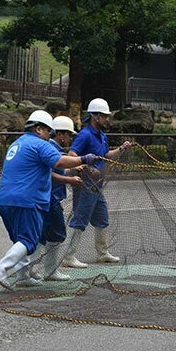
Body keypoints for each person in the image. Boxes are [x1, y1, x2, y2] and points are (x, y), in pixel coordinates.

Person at [0, 110, 98, 289]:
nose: (50, 136)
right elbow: (60, 163)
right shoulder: (40, 144)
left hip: (5, 200)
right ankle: (1, 269)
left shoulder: (18, 143)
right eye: (49, 132)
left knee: (22, 241)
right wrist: (84, 158)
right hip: (27, 200)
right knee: (28, 241)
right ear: (39, 129)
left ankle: (23, 277)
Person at [62, 98, 131, 268]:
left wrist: (121, 149)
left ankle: (102, 253)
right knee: (80, 219)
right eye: (104, 116)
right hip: (85, 185)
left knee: (102, 218)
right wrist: (85, 167)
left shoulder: (102, 136)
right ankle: (68, 256)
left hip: (97, 186)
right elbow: (71, 156)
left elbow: (106, 156)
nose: (107, 119)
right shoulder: (85, 135)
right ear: (94, 116)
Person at [40, 116, 83, 281]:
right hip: (48, 197)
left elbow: (60, 170)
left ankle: (42, 270)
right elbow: (49, 174)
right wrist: (70, 179)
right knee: (53, 233)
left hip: (51, 197)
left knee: (48, 234)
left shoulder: (54, 148)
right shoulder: (50, 149)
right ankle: (47, 271)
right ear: (59, 133)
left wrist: (73, 169)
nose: (70, 139)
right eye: (68, 135)